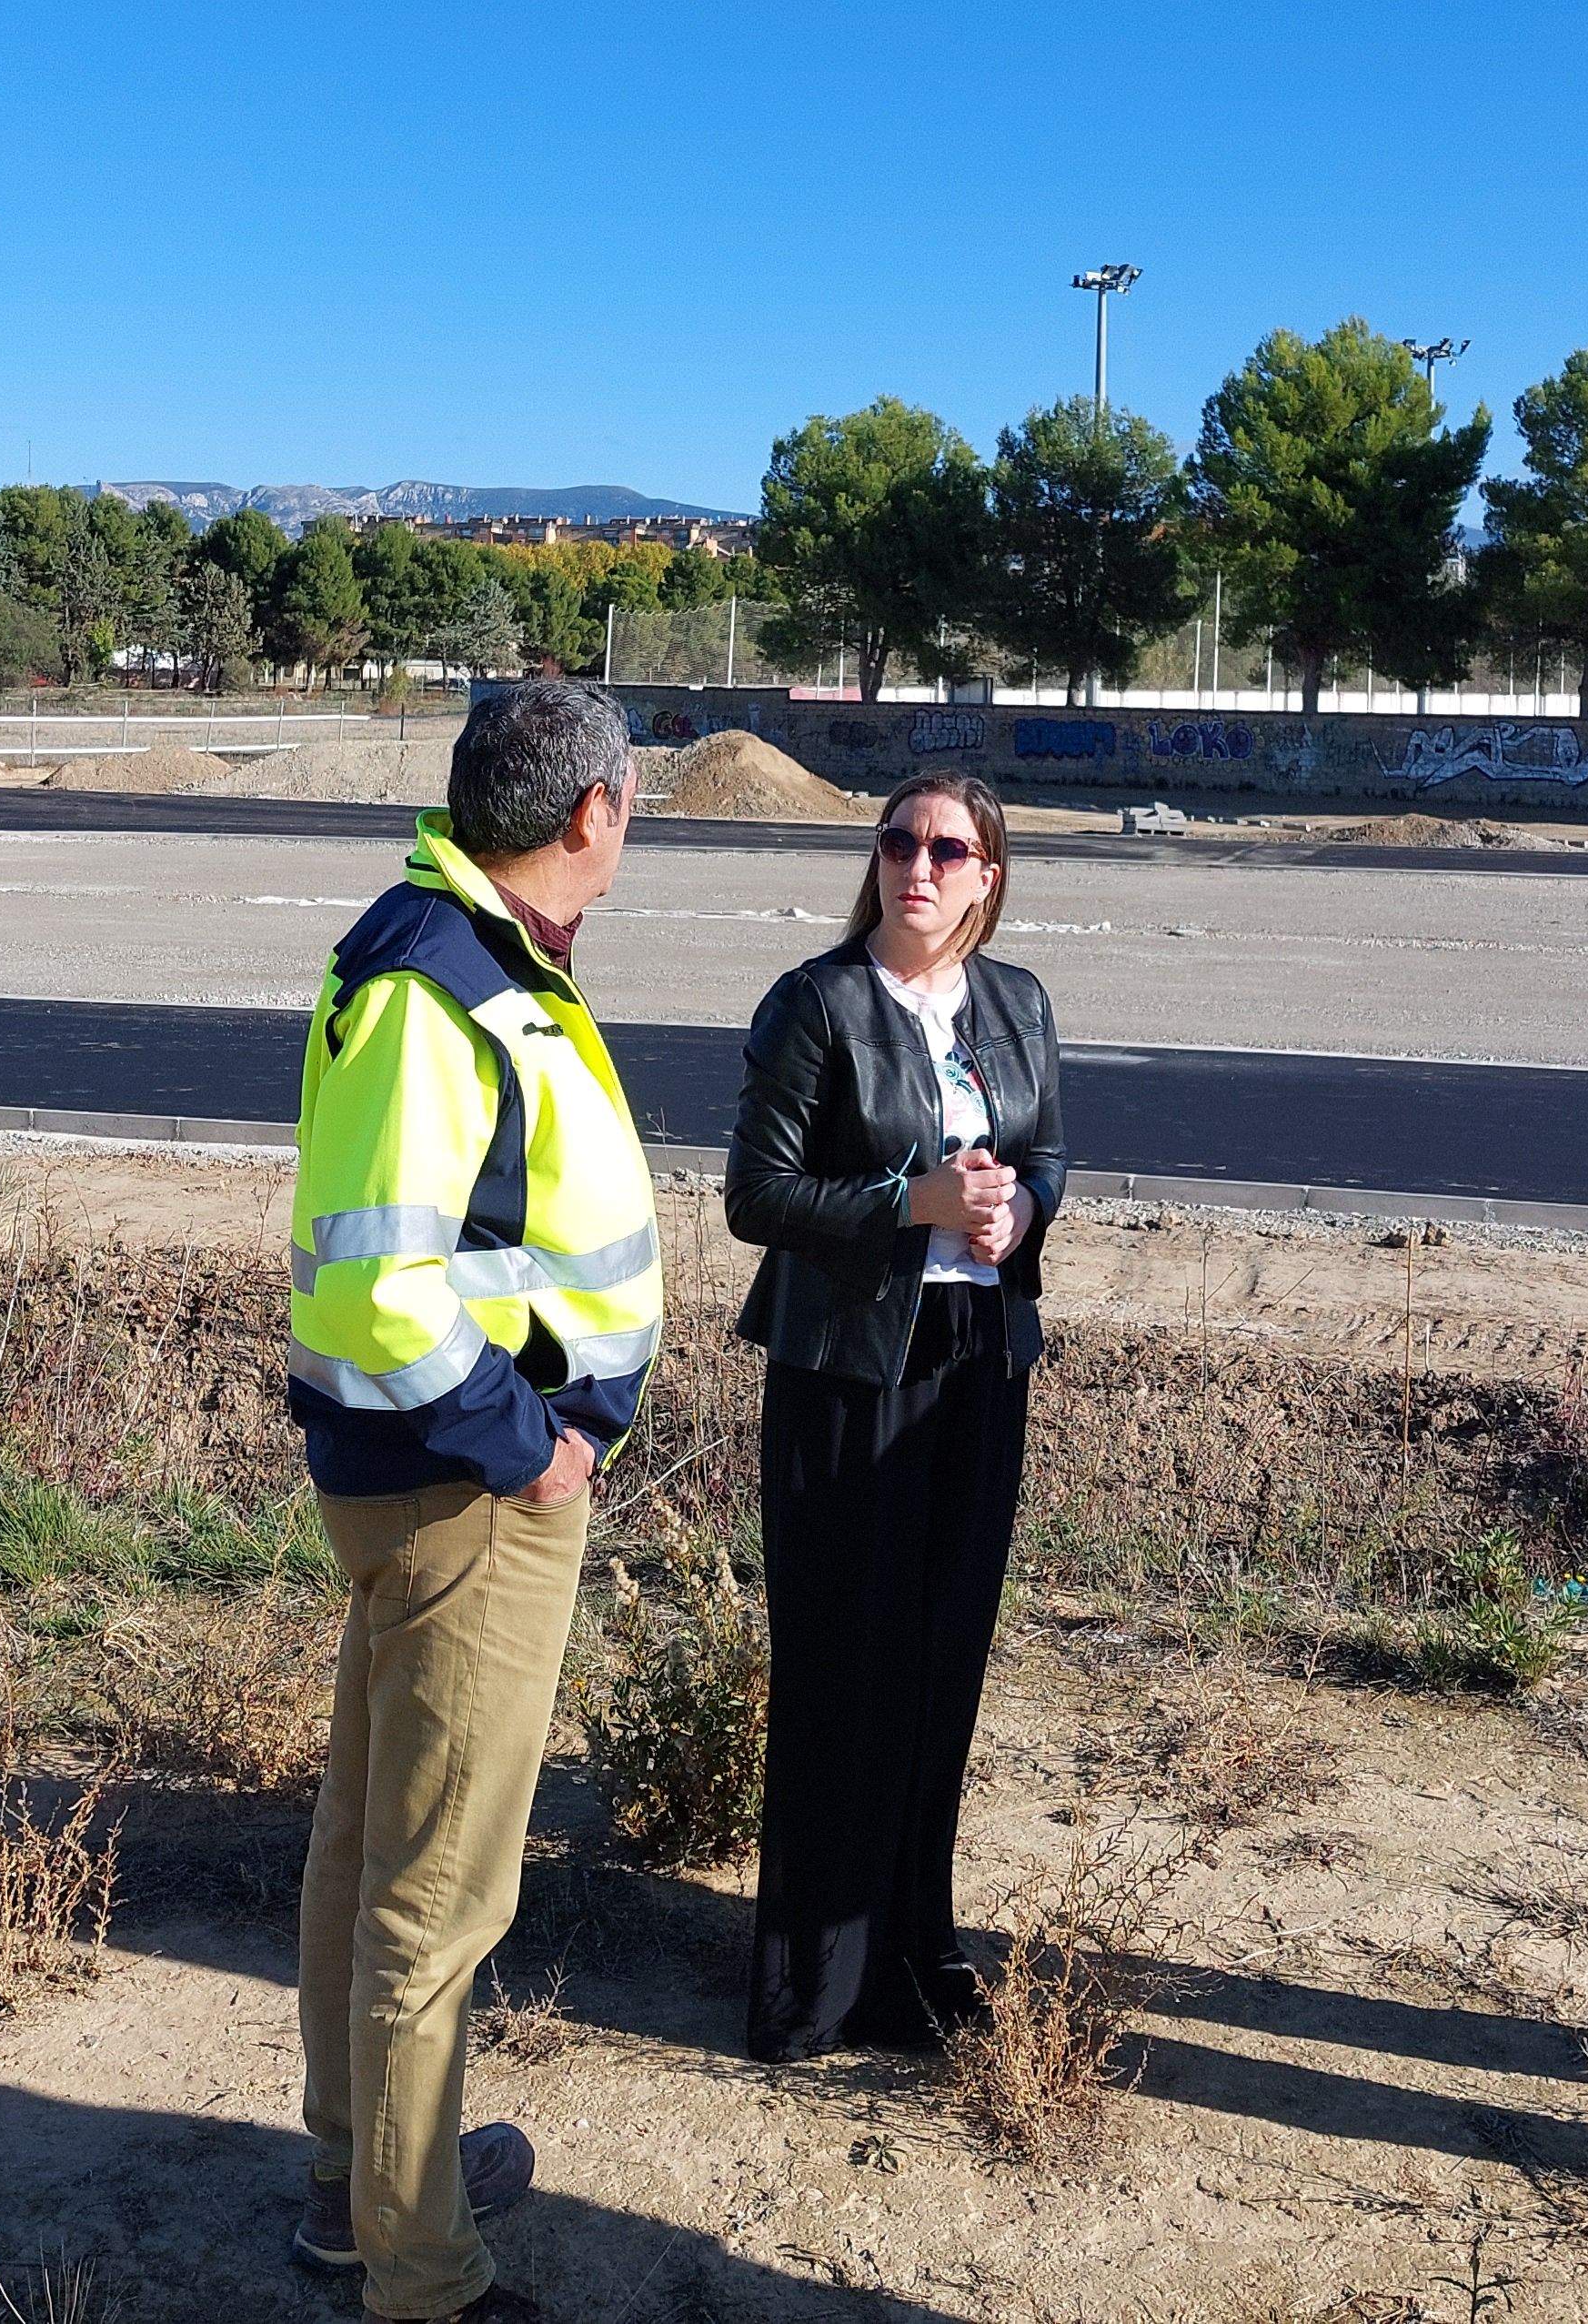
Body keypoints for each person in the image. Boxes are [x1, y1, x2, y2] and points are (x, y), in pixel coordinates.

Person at [282, 679, 663, 2324]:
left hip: (423, 1484)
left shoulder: (460, 949)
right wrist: (534, 1442)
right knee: (438, 1895)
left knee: (371, 1849)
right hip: (467, 1493)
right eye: (630, 797)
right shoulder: (448, 984)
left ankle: (355, 2186)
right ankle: (421, 2273)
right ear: (591, 814)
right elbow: (384, 1284)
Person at [725, 770, 1070, 2060]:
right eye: (898, 841)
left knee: (940, 1664)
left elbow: (1043, 1156)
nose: (917, 865)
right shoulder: (815, 1003)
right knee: (840, 1666)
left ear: (988, 873)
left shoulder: (1018, 1003)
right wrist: (911, 1205)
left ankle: (918, 1955)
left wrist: (1019, 1209)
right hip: (844, 1368)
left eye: (948, 848)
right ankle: (816, 1984)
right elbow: (756, 1197)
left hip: (977, 1358)